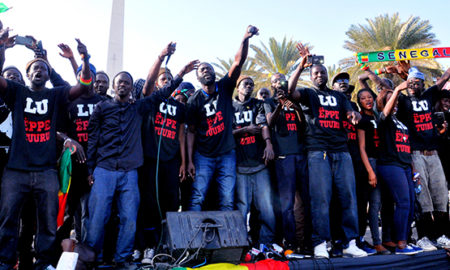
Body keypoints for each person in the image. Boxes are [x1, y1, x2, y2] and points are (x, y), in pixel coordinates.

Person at [85, 43, 195, 269]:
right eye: (120, 82)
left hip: (129, 171)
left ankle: (122, 258)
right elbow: (93, 139)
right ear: (114, 87)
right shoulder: (102, 108)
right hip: (104, 169)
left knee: (129, 218)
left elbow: (163, 90)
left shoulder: (140, 107)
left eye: (127, 81)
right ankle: (91, 258)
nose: (123, 84)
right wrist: (90, 169)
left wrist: (179, 71)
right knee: (97, 218)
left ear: (130, 87)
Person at [0, 31, 92, 270]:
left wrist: (83, 59)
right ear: (28, 74)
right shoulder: (16, 92)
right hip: (16, 170)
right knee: (8, 220)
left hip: (46, 171)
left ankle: (44, 264)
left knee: (48, 223)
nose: (40, 70)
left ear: (48, 73)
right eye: (35, 68)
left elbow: (83, 86)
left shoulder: (55, 94)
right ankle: (5, 262)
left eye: (43, 68)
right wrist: (1, 48)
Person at [289, 62, 366, 258]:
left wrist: (354, 114)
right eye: (316, 73)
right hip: (317, 151)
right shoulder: (308, 93)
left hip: (341, 151)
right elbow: (290, 91)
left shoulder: (339, 96)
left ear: (326, 74)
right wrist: (300, 67)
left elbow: (351, 112)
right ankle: (320, 243)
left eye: (323, 72)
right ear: (311, 75)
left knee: (348, 197)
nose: (320, 75)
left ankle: (350, 242)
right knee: (321, 199)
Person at [135, 44, 198, 264]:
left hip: (171, 161)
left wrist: (183, 162)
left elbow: (182, 135)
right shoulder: (150, 101)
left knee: (171, 202)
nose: (166, 82)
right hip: (150, 160)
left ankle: (168, 245)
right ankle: (146, 247)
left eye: (169, 79)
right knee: (148, 203)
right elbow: (150, 82)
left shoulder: (179, 107)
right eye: (164, 79)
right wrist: (162, 58)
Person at [186, 25, 259, 211]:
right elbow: (191, 132)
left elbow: (238, 62)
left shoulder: (225, 87)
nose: (206, 71)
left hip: (227, 153)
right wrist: (189, 160)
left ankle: (227, 240)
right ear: (198, 77)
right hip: (203, 156)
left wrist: (245, 39)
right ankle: (193, 240)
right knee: (197, 197)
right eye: (202, 69)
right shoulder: (194, 101)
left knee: (227, 199)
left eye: (209, 68)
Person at [386, 65, 450, 250]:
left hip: (434, 154)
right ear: (407, 84)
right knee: (423, 197)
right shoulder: (404, 101)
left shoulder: (429, 95)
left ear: (423, 84)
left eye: (418, 82)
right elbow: (386, 92)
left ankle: (442, 236)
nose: (414, 85)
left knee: (440, 195)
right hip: (416, 154)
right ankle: (424, 236)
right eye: (411, 82)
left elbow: (444, 78)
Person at [263, 42, 312, 251]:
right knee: (287, 204)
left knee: (304, 201)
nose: (279, 82)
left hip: (300, 154)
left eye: (281, 79)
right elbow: (269, 123)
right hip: (283, 157)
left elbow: (303, 124)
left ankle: (305, 243)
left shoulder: (294, 99)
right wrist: (280, 107)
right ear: (272, 85)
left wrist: (295, 109)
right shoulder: (269, 102)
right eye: (275, 81)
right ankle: (289, 242)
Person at [374, 79, 422, 255]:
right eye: (390, 100)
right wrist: (395, 91)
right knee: (403, 202)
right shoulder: (382, 118)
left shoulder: (400, 120)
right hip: (390, 165)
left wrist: (413, 168)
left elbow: (407, 147)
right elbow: (385, 113)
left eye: (395, 100)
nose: (395, 103)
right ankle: (401, 244)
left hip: (404, 165)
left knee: (409, 204)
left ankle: (403, 240)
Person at [232, 75, 275, 246]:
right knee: (242, 207)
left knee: (266, 206)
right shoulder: (229, 107)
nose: (249, 86)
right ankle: (241, 242)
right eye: (245, 84)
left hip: (259, 164)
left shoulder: (258, 104)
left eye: (251, 84)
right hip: (239, 165)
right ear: (238, 87)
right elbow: (226, 133)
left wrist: (268, 143)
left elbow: (263, 125)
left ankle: (267, 242)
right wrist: (244, 130)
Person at [355, 84, 390, 255]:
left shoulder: (377, 116)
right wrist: (370, 171)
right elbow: (361, 148)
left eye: (369, 97)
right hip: (369, 163)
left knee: (380, 205)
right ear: (359, 102)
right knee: (370, 205)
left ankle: (380, 240)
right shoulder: (361, 119)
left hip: (383, 162)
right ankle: (372, 242)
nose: (367, 100)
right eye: (363, 98)